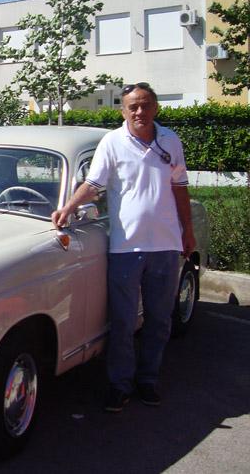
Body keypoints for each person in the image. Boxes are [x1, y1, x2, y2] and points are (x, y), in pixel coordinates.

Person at [51, 82, 195, 413]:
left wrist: (187, 231)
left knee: (159, 320)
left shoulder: (170, 140)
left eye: (145, 105)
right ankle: (119, 385)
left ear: (155, 107)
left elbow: (180, 188)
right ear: (123, 111)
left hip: (166, 245)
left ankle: (148, 380)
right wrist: (68, 208)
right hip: (126, 248)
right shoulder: (112, 142)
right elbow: (94, 185)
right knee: (124, 321)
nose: (139, 112)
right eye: (133, 107)